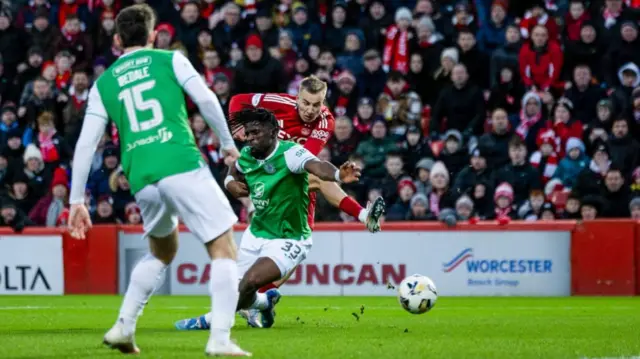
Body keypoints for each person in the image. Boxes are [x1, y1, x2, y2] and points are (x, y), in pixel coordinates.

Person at [66, 5, 249, 357]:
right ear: (152, 36)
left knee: (162, 250)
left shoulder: (104, 83)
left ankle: (123, 326)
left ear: (117, 40)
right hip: (179, 161)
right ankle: (220, 339)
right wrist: (228, 145)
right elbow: (207, 99)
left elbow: (86, 144)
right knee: (224, 247)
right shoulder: (171, 60)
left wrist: (77, 201)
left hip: (141, 175)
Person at [174, 80, 386, 331]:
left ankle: (256, 301)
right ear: (297, 98)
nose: (310, 109)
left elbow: (306, 160)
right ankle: (261, 300)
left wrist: (337, 175)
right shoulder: (277, 104)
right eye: (305, 103)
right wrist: (239, 129)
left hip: (286, 177)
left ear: (324, 103)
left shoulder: (324, 122)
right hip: (263, 173)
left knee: (286, 258)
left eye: (316, 105)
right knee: (256, 269)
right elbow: (236, 101)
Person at [203, 108, 360, 330]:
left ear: (274, 131)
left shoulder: (291, 153)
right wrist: (230, 183)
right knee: (235, 287)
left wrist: (337, 175)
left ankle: (211, 321)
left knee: (250, 282)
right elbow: (233, 169)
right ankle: (265, 302)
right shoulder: (248, 154)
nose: (251, 138)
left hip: (290, 236)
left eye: (256, 132)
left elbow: (318, 167)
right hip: (258, 232)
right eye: (248, 134)